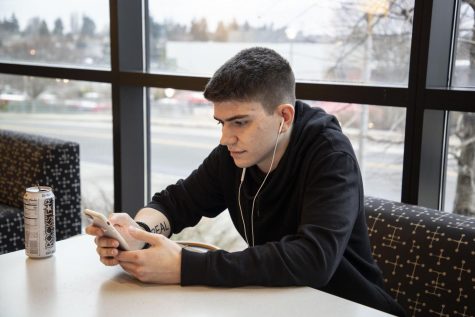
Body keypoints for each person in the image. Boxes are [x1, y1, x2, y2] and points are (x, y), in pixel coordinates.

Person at [86, 47, 406, 316]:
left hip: (350, 308)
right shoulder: (234, 153)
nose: (226, 137)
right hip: (280, 305)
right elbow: (175, 203)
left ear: (284, 116)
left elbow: (314, 259)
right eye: (221, 123)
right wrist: (137, 234)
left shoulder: (330, 154)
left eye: (240, 122)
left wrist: (185, 266)